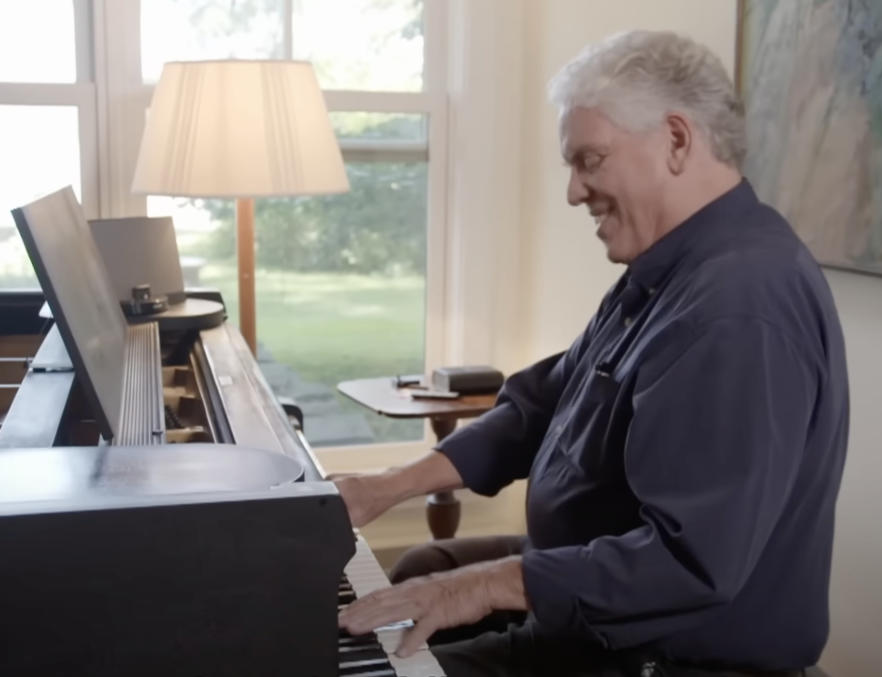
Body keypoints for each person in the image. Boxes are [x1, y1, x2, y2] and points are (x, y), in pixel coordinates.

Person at [337, 29, 848, 677]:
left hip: (654, 654)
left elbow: (689, 562)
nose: (575, 192)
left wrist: (482, 586)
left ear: (677, 140)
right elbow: (542, 404)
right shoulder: (670, 270)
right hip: (598, 594)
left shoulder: (737, 304)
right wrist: (386, 487)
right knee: (421, 570)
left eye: (590, 160)